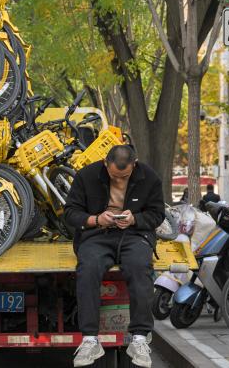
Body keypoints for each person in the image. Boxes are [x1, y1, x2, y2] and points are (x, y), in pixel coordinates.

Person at [64, 145, 165, 368]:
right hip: (97, 235)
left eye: (125, 176)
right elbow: (70, 213)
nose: (119, 181)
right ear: (105, 163)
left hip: (134, 235)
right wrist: (96, 220)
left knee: (140, 268)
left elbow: (157, 214)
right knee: (88, 268)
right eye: (114, 176)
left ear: (134, 165)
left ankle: (139, 337)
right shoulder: (86, 175)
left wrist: (135, 219)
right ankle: (90, 338)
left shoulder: (150, 177)